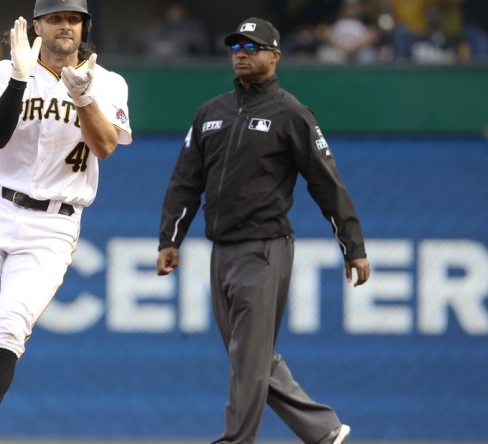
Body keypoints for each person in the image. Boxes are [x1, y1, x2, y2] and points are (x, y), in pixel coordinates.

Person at [156, 17, 369, 444]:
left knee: (248, 361)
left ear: (275, 56)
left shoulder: (291, 113)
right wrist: (170, 238)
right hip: (221, 252)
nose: (242, 54)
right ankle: (323, 430)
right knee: (249, 357)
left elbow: (326, 182)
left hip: (264, 249)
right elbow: (185, 181)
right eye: (237, 47)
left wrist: (352, 245)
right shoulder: (209, 113)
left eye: (252, 48)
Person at [0, 0, 132, 443]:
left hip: (54, 224)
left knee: (7, 329)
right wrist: (20, 79)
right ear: (37, 24)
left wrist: (84, 96)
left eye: (74, 19)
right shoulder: (7, 71)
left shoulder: (108, 81)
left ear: (84, 28)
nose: (66, 26)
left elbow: (105, 147)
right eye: (57, 18)